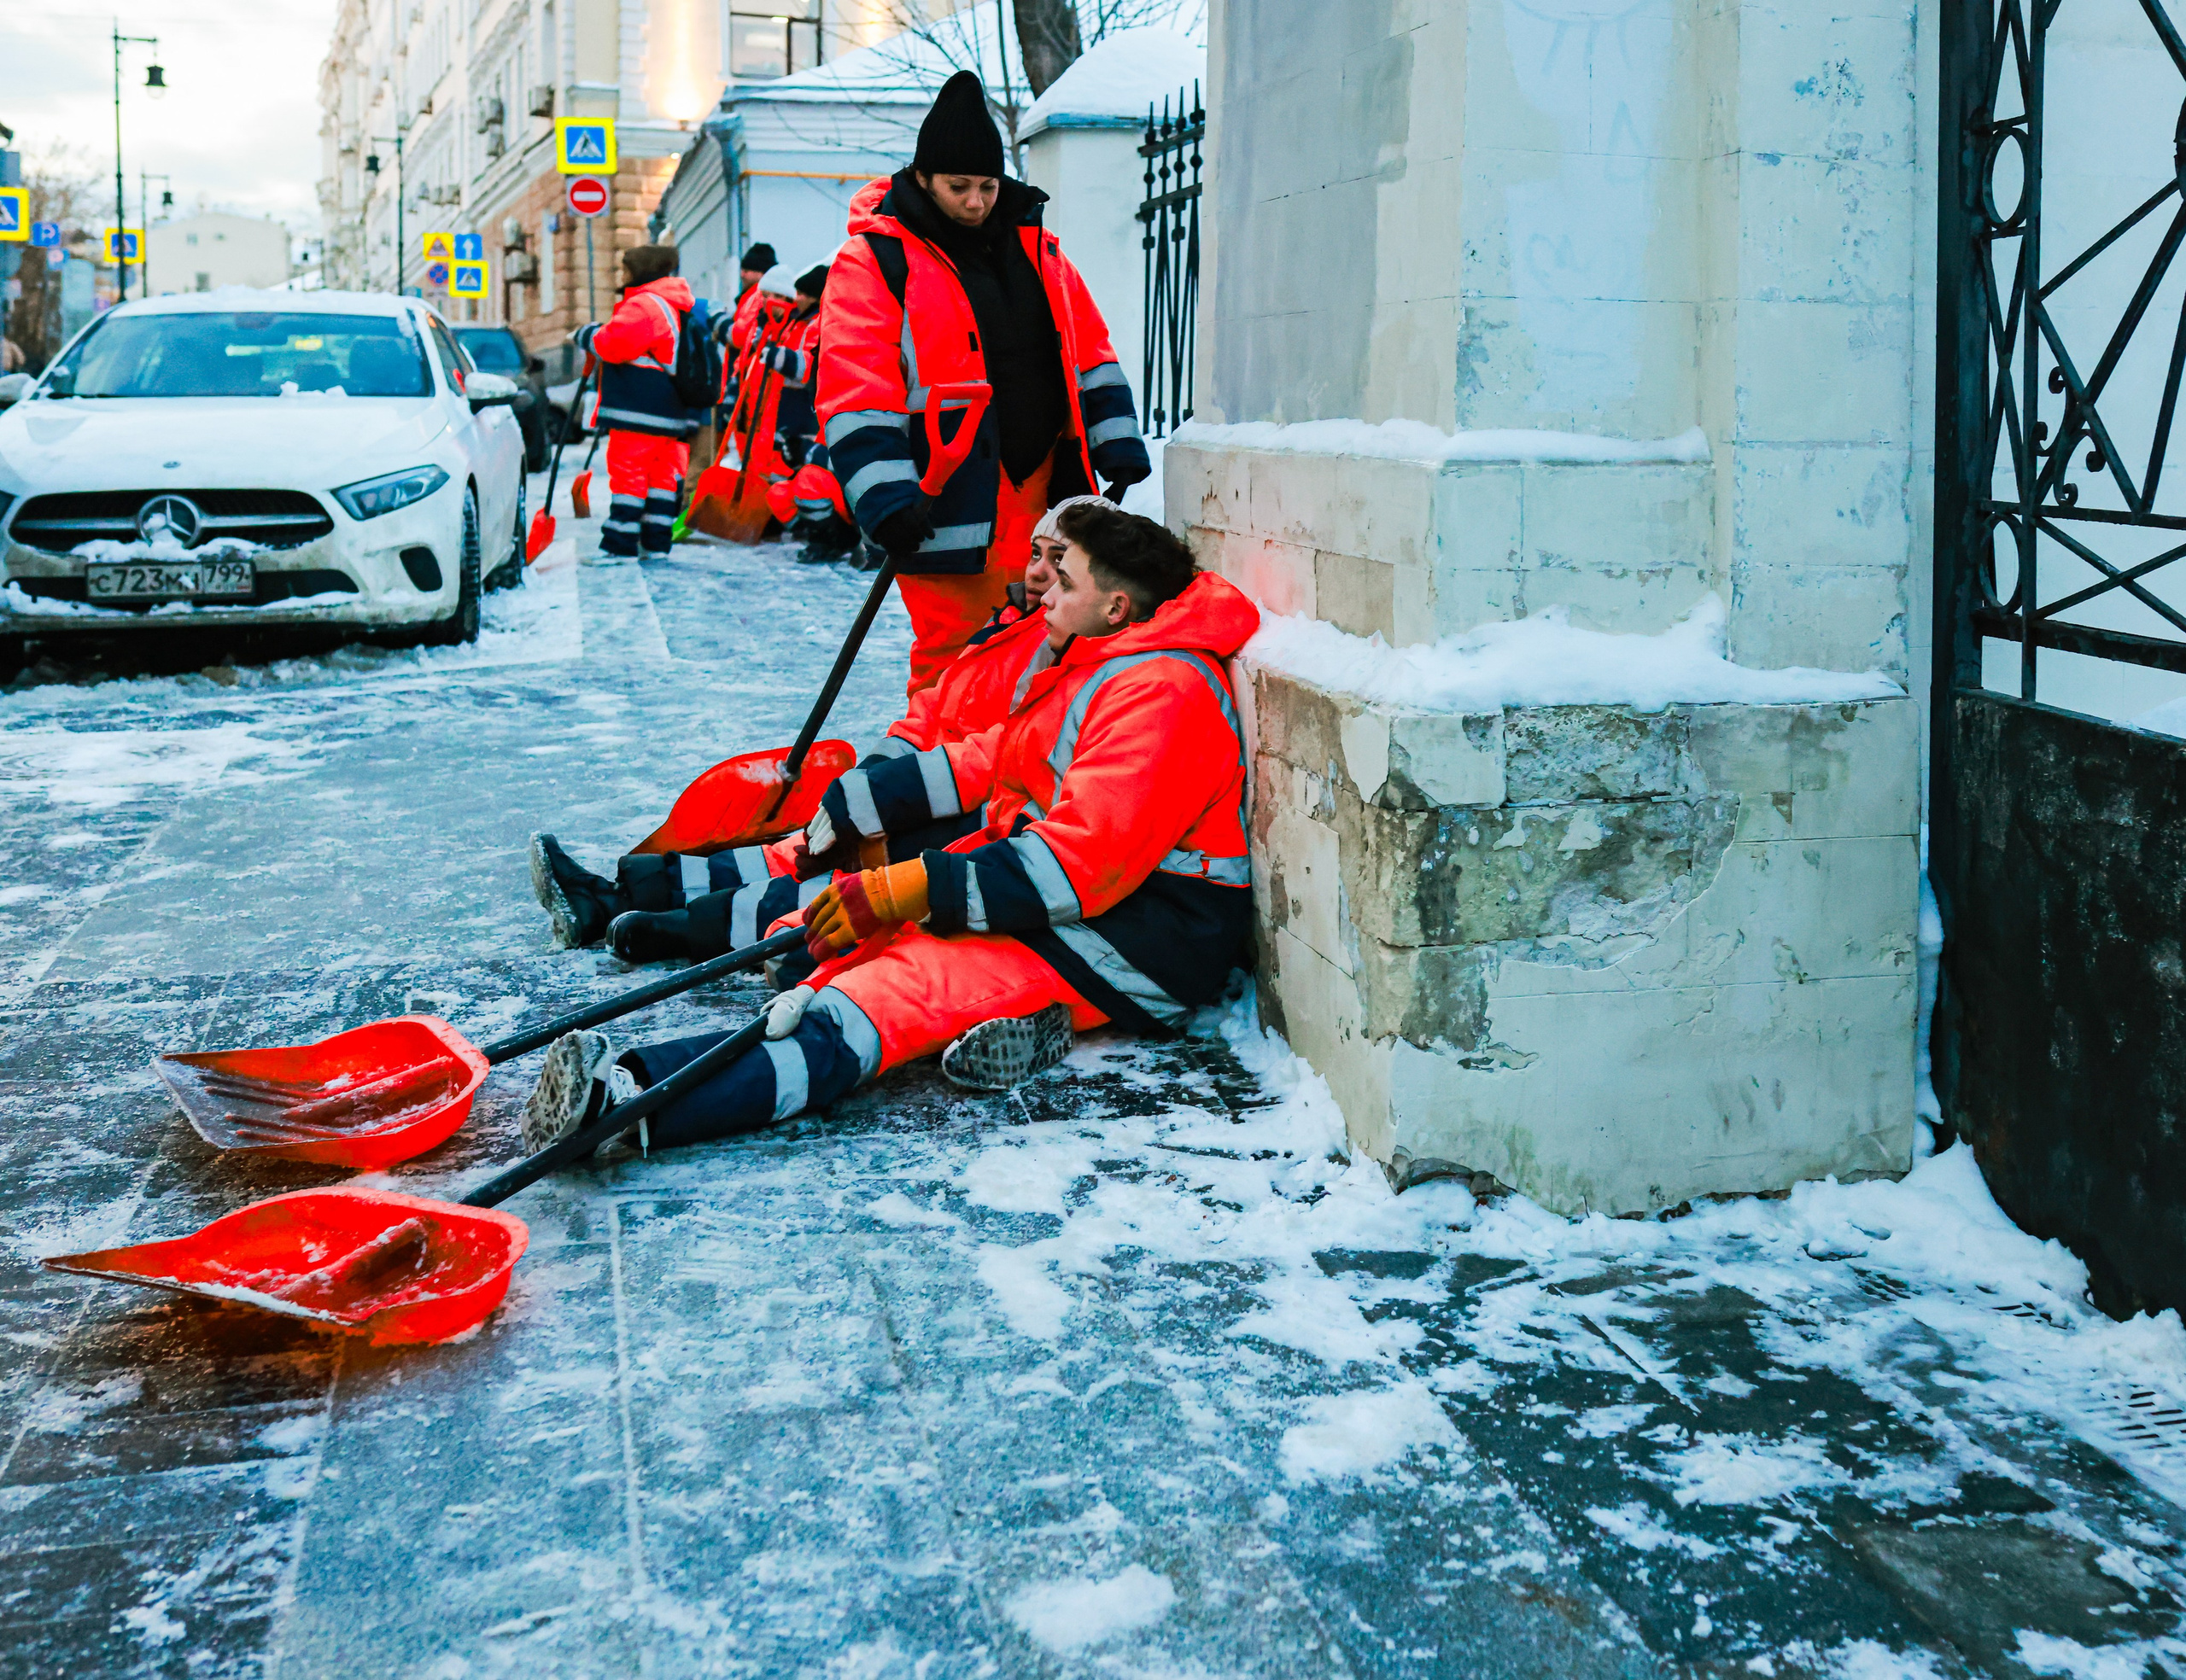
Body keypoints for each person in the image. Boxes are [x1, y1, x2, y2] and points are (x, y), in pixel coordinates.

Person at [518, 503, 1256, 1149]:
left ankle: (627, 1105)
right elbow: (995, 756)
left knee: (884, 998)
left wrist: (911, 888)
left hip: (1136, 943)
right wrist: (873, 801)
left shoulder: (1163, 694)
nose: (1047, 587)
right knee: (838, 947)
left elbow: (1078, 865)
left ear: (1117, 606)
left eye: (1065, 578)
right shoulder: (1106, 664)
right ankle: (642, 1043)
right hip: (1079, 906)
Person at [526, 495, 1111, 964]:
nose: (1039, 572)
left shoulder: (1065, 654)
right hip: (912, 792)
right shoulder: (1007, 626)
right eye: (1036, 553)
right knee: (793, 850)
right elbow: (927, 715)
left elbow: (1004, 757)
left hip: (954, 816)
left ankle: (681, 928)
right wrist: (872, 778)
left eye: (1058, 562)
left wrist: (890, 798)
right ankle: (614, 896)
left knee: (819, 879)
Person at [821, 70, 1151, 699]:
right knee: (955, 661)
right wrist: (885, 497)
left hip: (1045, 492)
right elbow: (855, 387)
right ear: (923, 178)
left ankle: (1007, 761)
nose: (976, 202)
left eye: (988, 186)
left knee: (1041, 647)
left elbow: (1090, 351)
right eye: (959, 187)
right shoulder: (874, 261)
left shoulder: (1040, 250)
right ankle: (932, 761)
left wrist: (1116, 440)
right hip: (942, 499)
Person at [574, 244, 695, 557]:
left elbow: (613, 344)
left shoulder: (645, 304)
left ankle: (620, 545)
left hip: (639, 411)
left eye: (625, 269)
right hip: (668, 411)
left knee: (629, 476)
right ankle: (656, 543)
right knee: (661, 479)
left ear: (639, 270)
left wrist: (585, 335)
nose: (622, 275)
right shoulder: (671, 304)